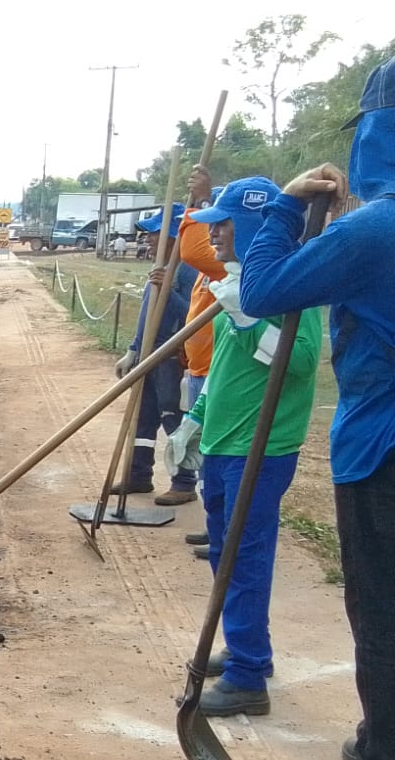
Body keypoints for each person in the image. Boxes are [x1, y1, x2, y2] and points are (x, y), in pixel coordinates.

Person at [238, 55, 395, 760]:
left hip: (387, 446)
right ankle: (383, 740)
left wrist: (283, 210)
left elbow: (265, 291)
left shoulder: (378, 227)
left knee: (384, 608)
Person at [167, 176, 320, 717]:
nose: (216, 238)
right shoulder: (238, 283)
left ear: (252, 225)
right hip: (223, 441)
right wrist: (194, 422)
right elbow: (224, 374)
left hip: (261, 446)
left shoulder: (288, 289)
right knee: (222, 551)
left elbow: (299, 364)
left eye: (224, 226)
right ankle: (243, 643)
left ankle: (248, 675)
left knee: (244, 557)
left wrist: (249, 320)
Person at [112, 204, 199, 505]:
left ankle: (184, 482)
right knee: (143, 419)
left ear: (174, 235)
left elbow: (195, 316)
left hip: (172, 356)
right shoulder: (159, 267)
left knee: (174, 419)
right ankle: (138, 475)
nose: (147, 239)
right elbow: (146, 316)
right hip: (148, 354)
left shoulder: (189, 268)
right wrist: (133, 349)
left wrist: (168, 292)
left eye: (154, 234)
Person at [177, 166, 228, 554]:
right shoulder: (208, 271)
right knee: (206, 455)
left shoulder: (226, 264)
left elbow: (192, 250)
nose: (211, 233)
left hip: (217, 373)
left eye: (219, 225)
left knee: (216, 457)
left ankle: (223, 535)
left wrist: (201, 200)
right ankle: (216, 529)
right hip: (199, 368)